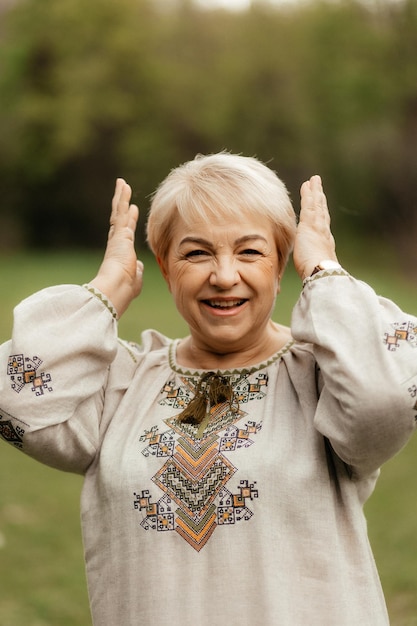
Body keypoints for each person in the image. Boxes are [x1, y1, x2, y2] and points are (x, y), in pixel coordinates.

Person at [0, 152, 416, 625]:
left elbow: (385, 402)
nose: (223, 275)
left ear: (282, 265)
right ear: (165, 267)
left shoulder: (326, 380)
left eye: (250, 251)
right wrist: (107, 288)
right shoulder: (123, 384)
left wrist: (323, 270)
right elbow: (16, 405)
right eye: (196, 253)